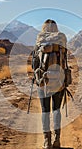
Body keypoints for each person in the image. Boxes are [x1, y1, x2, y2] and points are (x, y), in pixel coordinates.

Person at [32, 19, 68, 149]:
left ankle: (47, 142)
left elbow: (34, 63)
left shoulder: (39, 39)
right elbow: (65, 61)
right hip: (59, 81)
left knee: (45, 111)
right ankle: (57, 139)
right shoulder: (62, 39)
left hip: (43, 82)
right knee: (57, 110)